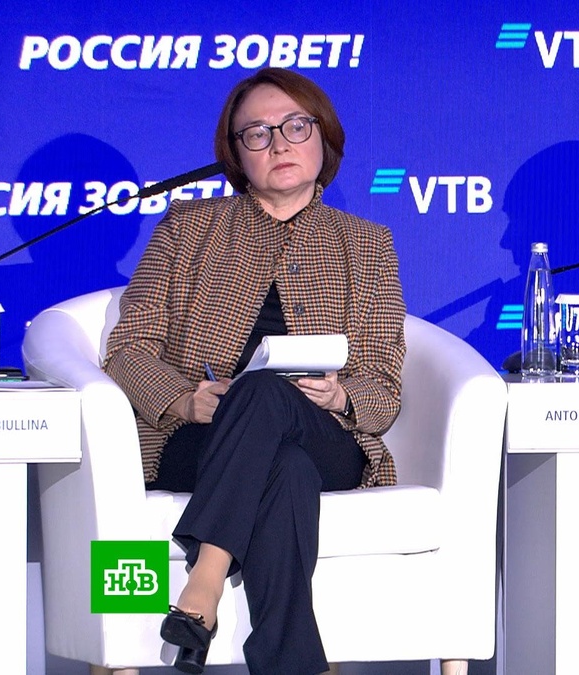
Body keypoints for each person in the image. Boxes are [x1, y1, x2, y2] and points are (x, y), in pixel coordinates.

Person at [103, 67, 406, 674]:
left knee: (269, 397)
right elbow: (128, 349)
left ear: (324, 138)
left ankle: (206, 579)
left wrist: (338, 395)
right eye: (258, 134)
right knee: (284, 469)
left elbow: (384, 387)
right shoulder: (188, 230)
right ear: (236, 155)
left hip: (324, 436)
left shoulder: (367, 244)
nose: (279, 144)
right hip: (202, 438)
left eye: (296, 126)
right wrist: (186, 400)